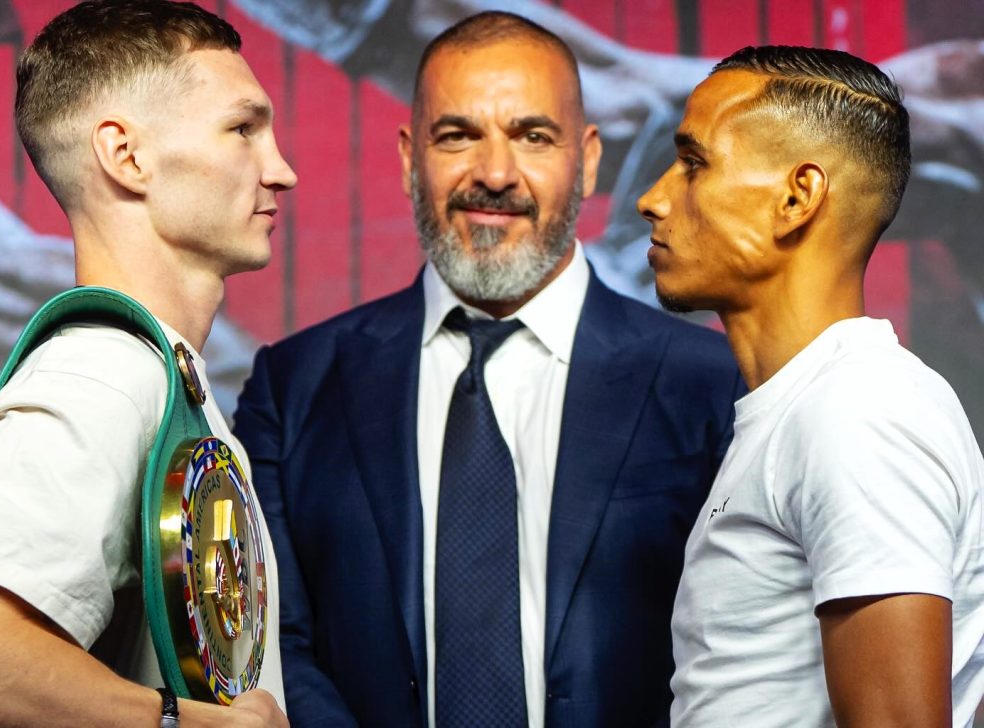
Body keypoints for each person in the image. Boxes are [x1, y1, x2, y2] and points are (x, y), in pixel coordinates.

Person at [233, 11, 742, 728]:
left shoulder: (713, 385)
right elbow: (274, 642)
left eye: (533, 136)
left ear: (588, 159)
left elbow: (746, 650)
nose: (495, 174)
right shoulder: (293, 387)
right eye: (457, 136)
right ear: (409, 158)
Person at [0, 1, 297, 726]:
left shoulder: (153, 376)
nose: (282, 171)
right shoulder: (101, 378)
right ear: (126, 156)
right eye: (242, 130)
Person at [636, 45, 984, 726]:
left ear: (796, 198)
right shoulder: (813, 407)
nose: (653, 199)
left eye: (694, 163)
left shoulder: (858, 413)